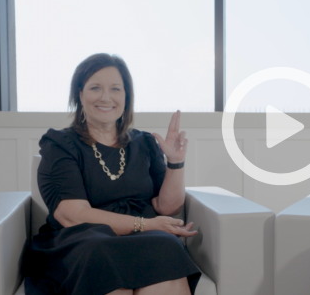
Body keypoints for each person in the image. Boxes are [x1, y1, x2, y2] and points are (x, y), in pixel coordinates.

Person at [23, 53, 201, 295]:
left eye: (116, 89)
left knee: (167, 245)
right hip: (84, 242)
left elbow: (167, 207)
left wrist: (175, 163)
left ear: (126, 97)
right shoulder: (60, 144)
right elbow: (73, 216)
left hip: (146, 240)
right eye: (96, 87)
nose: (106, 97)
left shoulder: (145, 143)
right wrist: (146, 225)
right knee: (98, 251)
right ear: (80, 94)